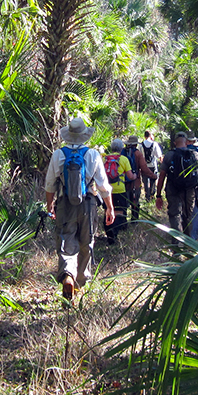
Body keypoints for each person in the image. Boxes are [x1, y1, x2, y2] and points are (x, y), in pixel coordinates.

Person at [44, 117, 115, 299]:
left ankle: (68, 274)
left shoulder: (58, 155)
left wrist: (50, 206)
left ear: (68, 135)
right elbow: (103, 186)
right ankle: (78, 284)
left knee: (66, 240)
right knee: (86, 243)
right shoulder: (92, 155)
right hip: (88, 204)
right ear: (84, 136)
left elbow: (50, 185)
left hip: (64, 204)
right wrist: (110, 208)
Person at [155, 130, 198, 239]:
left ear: (175, 143)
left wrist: (158, 195)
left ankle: (176, 242)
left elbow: (161, 177)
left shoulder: (169, 155)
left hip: (173, 189)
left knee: (175, 214)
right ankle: (190, 241)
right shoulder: (195, 154)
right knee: (190, 214)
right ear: (187, 142)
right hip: (190, 189)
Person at [103, 138, 137, 244]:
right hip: (120, 190)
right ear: (121, 148)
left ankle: (109, 235)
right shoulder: (123, 159)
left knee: (107, 211)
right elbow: (130, 176)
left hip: (107, 191)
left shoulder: (104, 159)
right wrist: (136, 175)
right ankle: (115, 232)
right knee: (120, 212)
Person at [123, 134, 157, 223]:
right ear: (136, 144)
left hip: (123, 181)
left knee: (124, 202)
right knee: (135, 201)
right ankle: (134, 221)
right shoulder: (138, 153)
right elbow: (144, 168)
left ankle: (123, 221)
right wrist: (153, 176)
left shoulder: (122, 152)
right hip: (135, 182)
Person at [141, 130, 164, 203]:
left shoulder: (141, 145)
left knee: (145, 181)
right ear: (150, 136)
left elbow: (140, 156)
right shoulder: (154, 144)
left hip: (144, 166)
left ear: (144, 136)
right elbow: (159, 156)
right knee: (153, 180)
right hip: (153, 165)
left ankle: (147, 196)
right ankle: (152, 195)